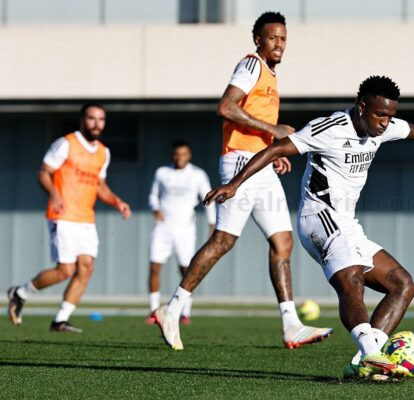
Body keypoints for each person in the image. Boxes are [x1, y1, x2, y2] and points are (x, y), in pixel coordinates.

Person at [204, 76, 414, 380]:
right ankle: (373, 354)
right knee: (352, 277)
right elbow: (276, 150)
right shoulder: (329, 128)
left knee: (402, 284)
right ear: (361, 107)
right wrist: (235, 184)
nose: (386, 123)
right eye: (380, 115)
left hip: (347, 223)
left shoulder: (382, 127)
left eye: (390, 116)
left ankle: (363, 360)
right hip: (319, 217)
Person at [153, 11, 332, 350]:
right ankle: (172, 308)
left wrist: (273, 150)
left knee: (283, 241)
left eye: (283, 38)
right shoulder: (251, 65)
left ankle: (291, 324)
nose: (279, 43)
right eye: (272, 38)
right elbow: (226, 107)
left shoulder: (271, 75)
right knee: (223, 241)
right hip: (239, 161)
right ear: (258, 40)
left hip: (260, 165)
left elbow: (257, 120)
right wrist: (274, 132)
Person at [6, 103, 131, 333]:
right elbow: (44, 172)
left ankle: (60, 320)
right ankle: (20, 293)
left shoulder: (104, 152)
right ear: (82, 120)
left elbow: (100, 186)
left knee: (86, 268)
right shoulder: (66, 144)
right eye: (92, 118)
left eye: (101, 119)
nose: (96, 123)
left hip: (85, 218)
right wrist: (54, 192)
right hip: (62, 215)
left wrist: (117, 201)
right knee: (65, 270)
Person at [145, 141, 216, 325]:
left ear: (189, 155)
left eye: (183, 154)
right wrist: (155, 208)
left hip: (185, 229)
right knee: (154, 267)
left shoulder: (198, 175)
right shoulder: (162, 173)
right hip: (163, 227)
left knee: (186, 270)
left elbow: (209, 199)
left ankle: (185, 312)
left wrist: (212, 226)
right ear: (173, 155)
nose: (180, 157)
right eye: (177, 154)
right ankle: (154, 311)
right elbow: (153, 195)